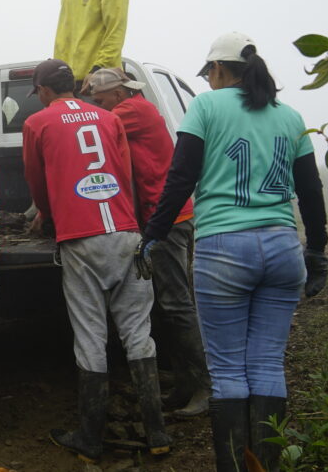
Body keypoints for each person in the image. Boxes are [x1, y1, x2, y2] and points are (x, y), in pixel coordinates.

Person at [139, 32, 328, 472]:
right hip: (283, 248)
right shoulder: (291, 116)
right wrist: (316, 249)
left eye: (209, 73)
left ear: (220, 70)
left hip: (224, 248)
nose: (207, 81)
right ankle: (266, 465)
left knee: (227, 372)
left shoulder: (206, 107)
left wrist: (153, 233)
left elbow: (181, 177)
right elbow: (311, 191)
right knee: (267, 364)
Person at [23, 59, 171, 464]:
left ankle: (90, 437)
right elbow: (123, 173)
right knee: (139, 333)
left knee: (90, 335)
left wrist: (45, 213)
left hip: (81, 239)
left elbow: (36, 180)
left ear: (43, 90)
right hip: (126, 232)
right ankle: (157, 432)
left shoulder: (38, 123)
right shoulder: (109, 118)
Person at [87, 68, 211, 418]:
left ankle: (206, 386)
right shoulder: (132, 108)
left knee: (177, 303)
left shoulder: (133, 111)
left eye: (99, 100)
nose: (96, 105)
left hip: (167, 219)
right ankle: (186, 384)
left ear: (119, 94)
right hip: (163, 219)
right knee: (167, 304)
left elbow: (92, 128)